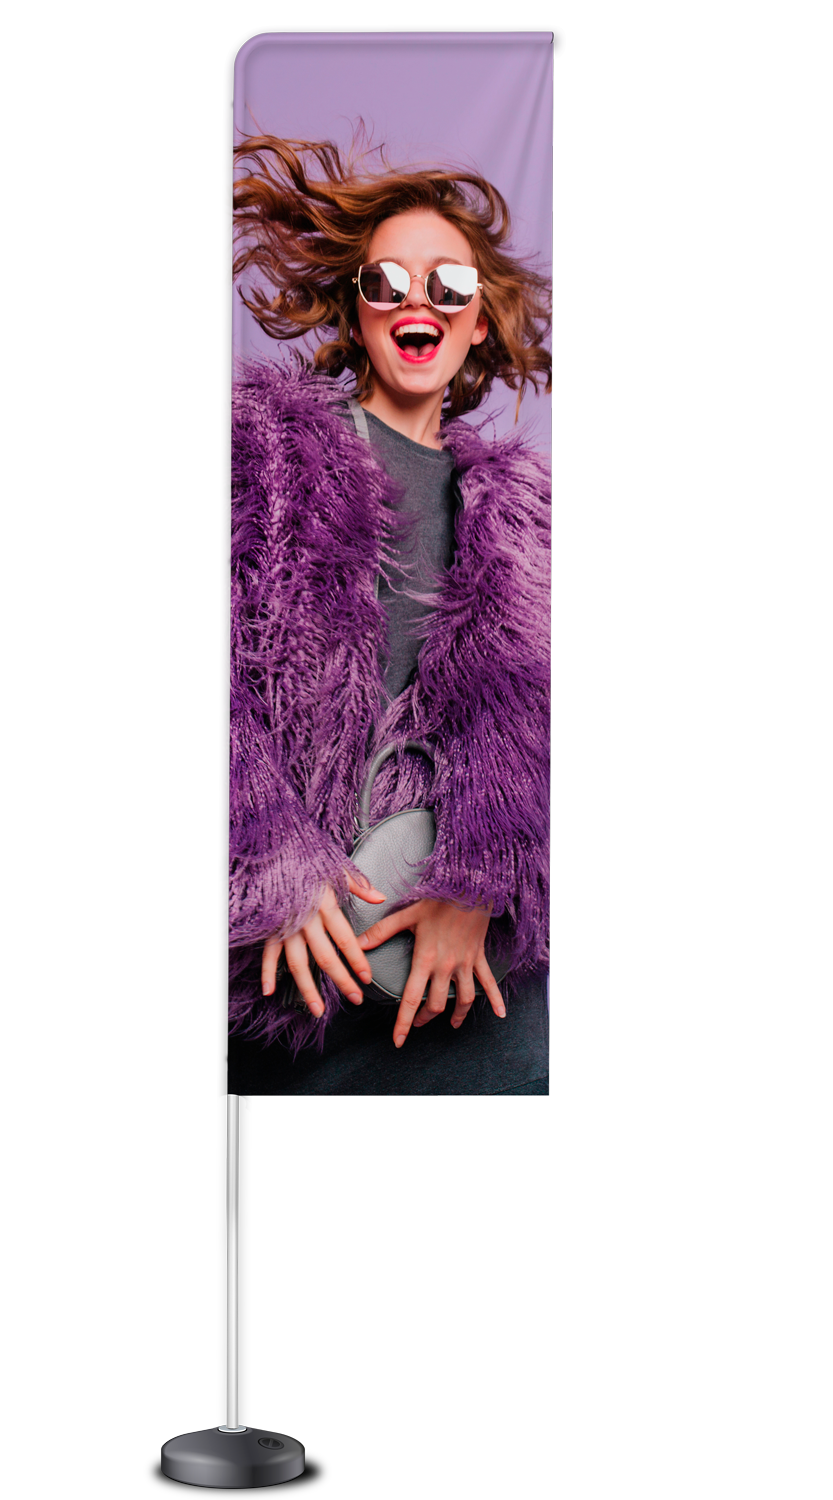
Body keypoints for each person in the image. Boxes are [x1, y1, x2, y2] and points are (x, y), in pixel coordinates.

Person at [222, 132, 551, 1095]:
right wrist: (267, 859)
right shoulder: (258, 449)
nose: (419, 301)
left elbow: (543, 735)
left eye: (449, 284)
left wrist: (481, 884)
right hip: (279, 987)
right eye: (388, 282)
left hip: (467, 992)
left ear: (479, 320)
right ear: (358, 309)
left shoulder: (529, 514)